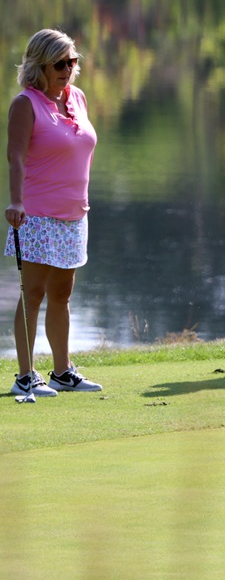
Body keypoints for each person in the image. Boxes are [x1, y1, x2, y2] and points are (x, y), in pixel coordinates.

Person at [5, 28, 102, 396]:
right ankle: (25, 376)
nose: (68, 69)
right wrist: (15, 202)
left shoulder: (77, 98)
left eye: (72, 61)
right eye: (59, 63)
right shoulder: (25, 104)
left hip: (75, 214)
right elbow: (15, 156)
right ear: (39, 66)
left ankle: (62, 371)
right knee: (33, 293)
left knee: (62, 293)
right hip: (36, 214)